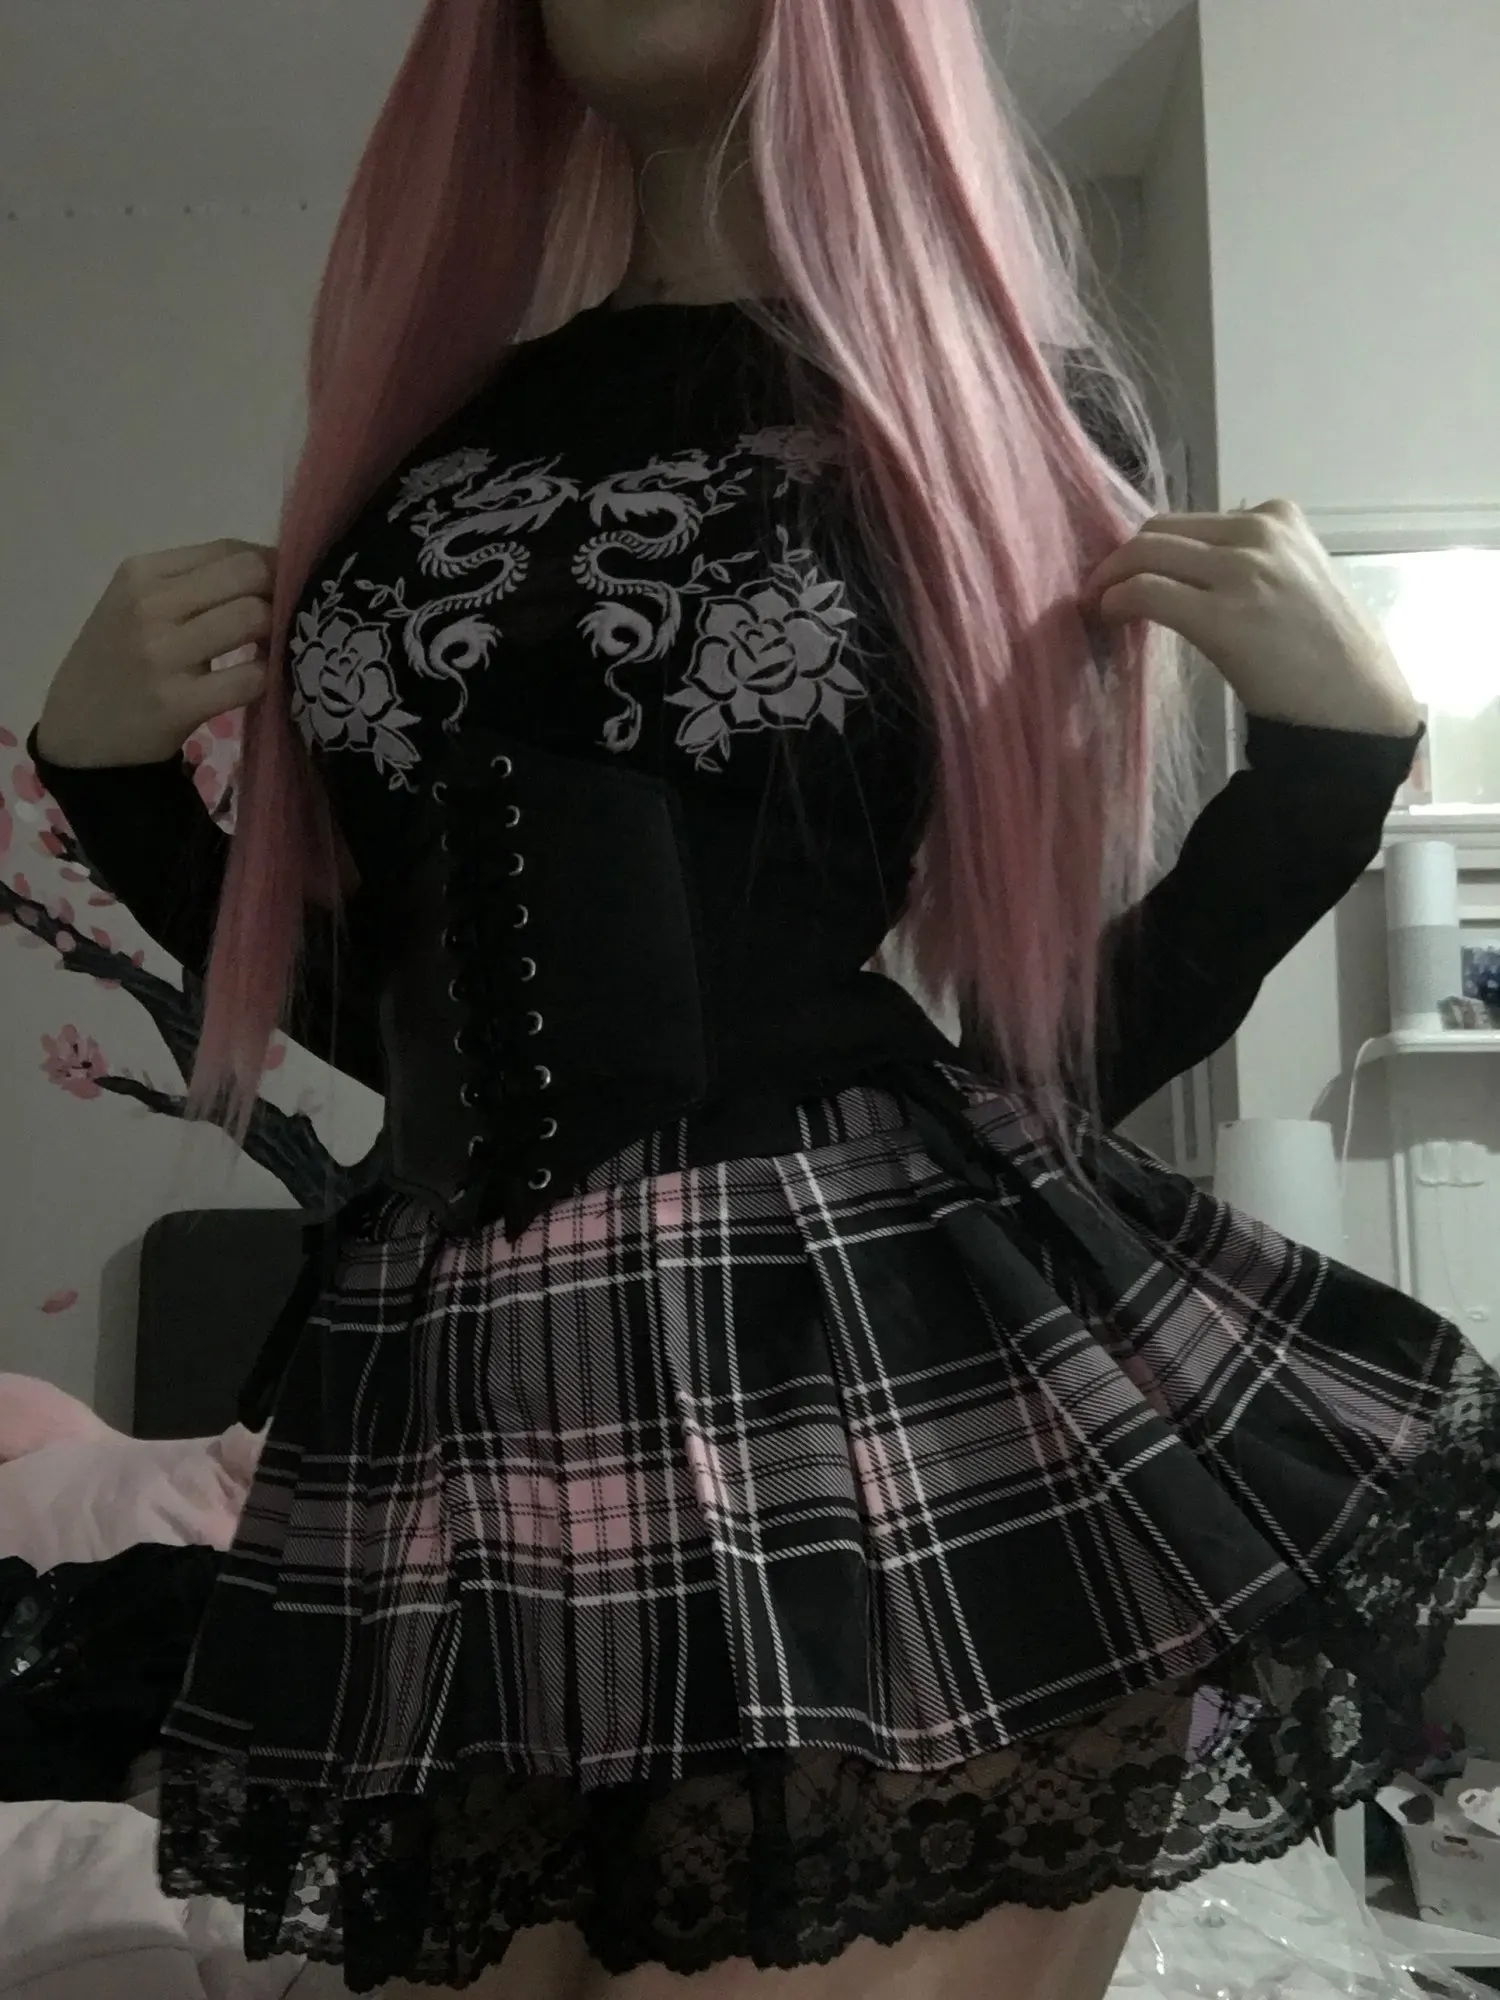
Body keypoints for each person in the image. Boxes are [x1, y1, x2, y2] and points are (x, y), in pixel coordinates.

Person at [29, 2, 1499, 1996]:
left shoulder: (992, 400)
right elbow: (413, 1023)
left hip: (847, 1355)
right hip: (449, 1394)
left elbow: (1043, 1053)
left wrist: (1329, 771)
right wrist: (115, 789)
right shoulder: (429, 429)